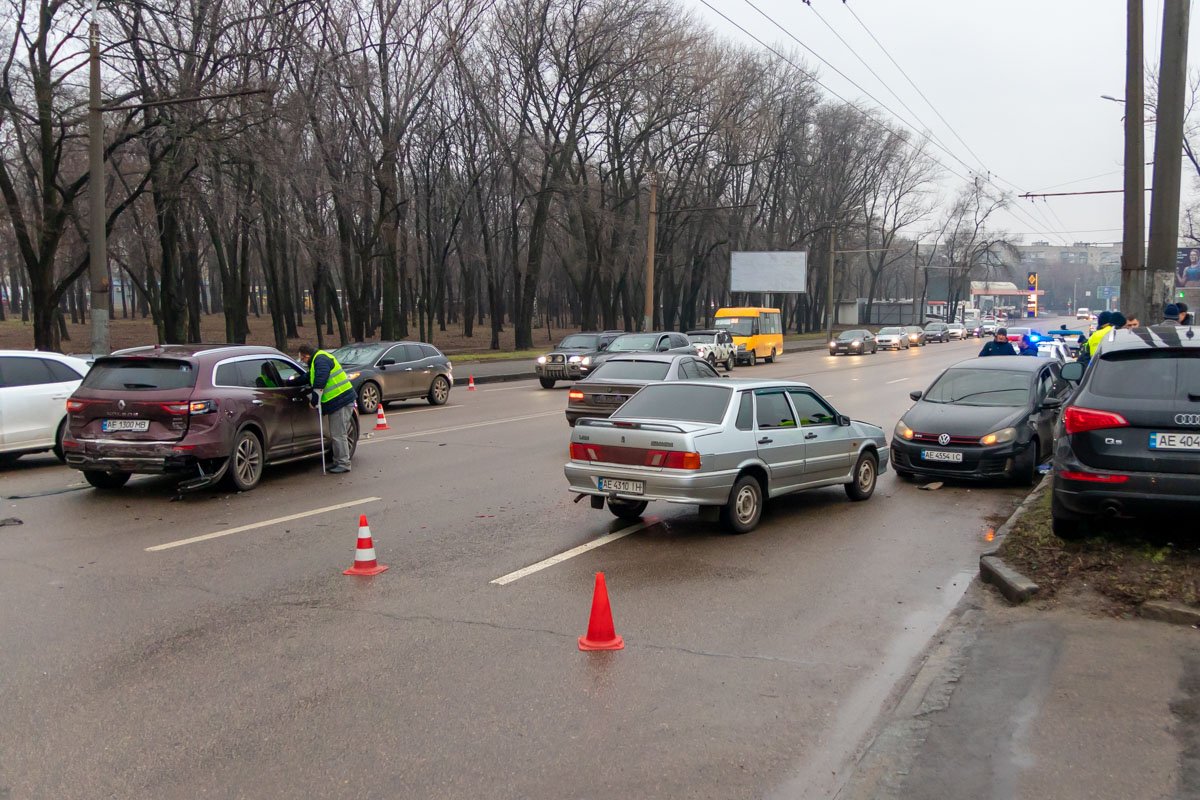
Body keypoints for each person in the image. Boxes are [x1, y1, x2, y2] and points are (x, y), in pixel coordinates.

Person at [297, 344, 357, 474]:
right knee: (337, 434)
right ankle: (338, 461)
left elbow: (320, 381)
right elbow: (308, 377)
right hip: (339, 400)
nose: (302, 361)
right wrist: (291, 382)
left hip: (340, 401)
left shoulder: (320, 360)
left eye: (302, 359)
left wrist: (314, 401)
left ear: (306, 355)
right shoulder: (318, 360)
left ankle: (343, 463)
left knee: (338, 434)